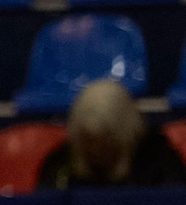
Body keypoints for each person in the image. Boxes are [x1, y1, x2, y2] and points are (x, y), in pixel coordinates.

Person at [36, 78, 186, 188]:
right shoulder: (61, 165)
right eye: (89, 141)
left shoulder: (159, 161)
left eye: (105, 142)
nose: (95, 151)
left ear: (124, 135)